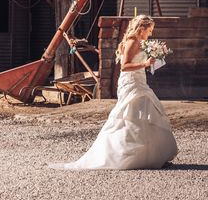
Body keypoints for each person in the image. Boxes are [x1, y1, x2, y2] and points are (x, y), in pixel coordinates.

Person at [51, 15, 178, 170]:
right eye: (149, 30)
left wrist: (153, 59)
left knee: (146, 112)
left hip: (140, 80)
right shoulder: (132, 42)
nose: (150, 33)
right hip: (132, 82)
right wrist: (144, 63)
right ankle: (126, 154)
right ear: (141, 28)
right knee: (132, 113)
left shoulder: (141, 43)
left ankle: (151, 155)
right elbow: (124, 66)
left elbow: (136, 62)